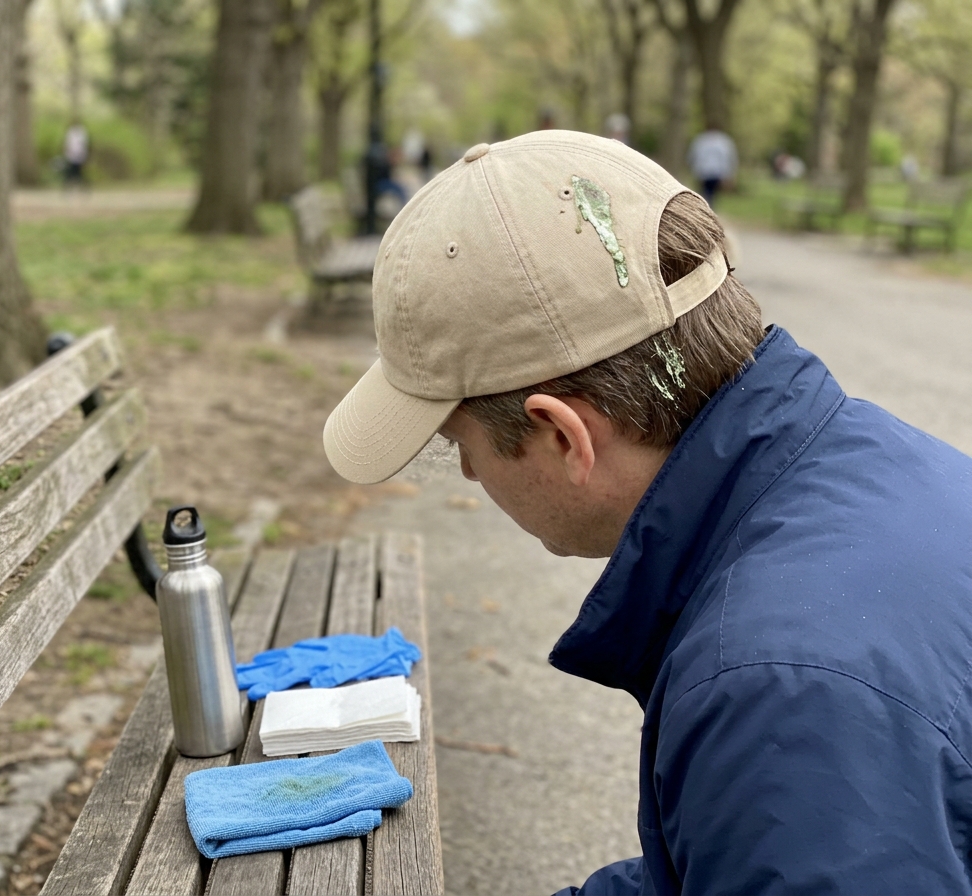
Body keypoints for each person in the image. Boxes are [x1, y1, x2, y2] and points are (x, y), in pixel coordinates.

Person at [322, 130, 972, 894]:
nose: (466, 471)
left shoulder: (773, 698)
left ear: (564, 435)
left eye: (453, 443)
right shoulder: (871, 460)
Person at [686, 123, 737, 207]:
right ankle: (709, 207)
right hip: (713, 172)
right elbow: (727, 158)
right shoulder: (723, 141)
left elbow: (693, 156)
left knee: (708, 193)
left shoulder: (701, 140)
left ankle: (707, 207)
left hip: (706, 172)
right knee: (710, 193)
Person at [62, 120, 90, 189]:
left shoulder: (82, 133)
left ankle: (81, 185)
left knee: (78, 172)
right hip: (71, 156)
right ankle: (70, 185)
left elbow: (84, 145)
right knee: (71, 171)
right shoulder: (70, 133)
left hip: (79, 156)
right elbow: (67, 144)